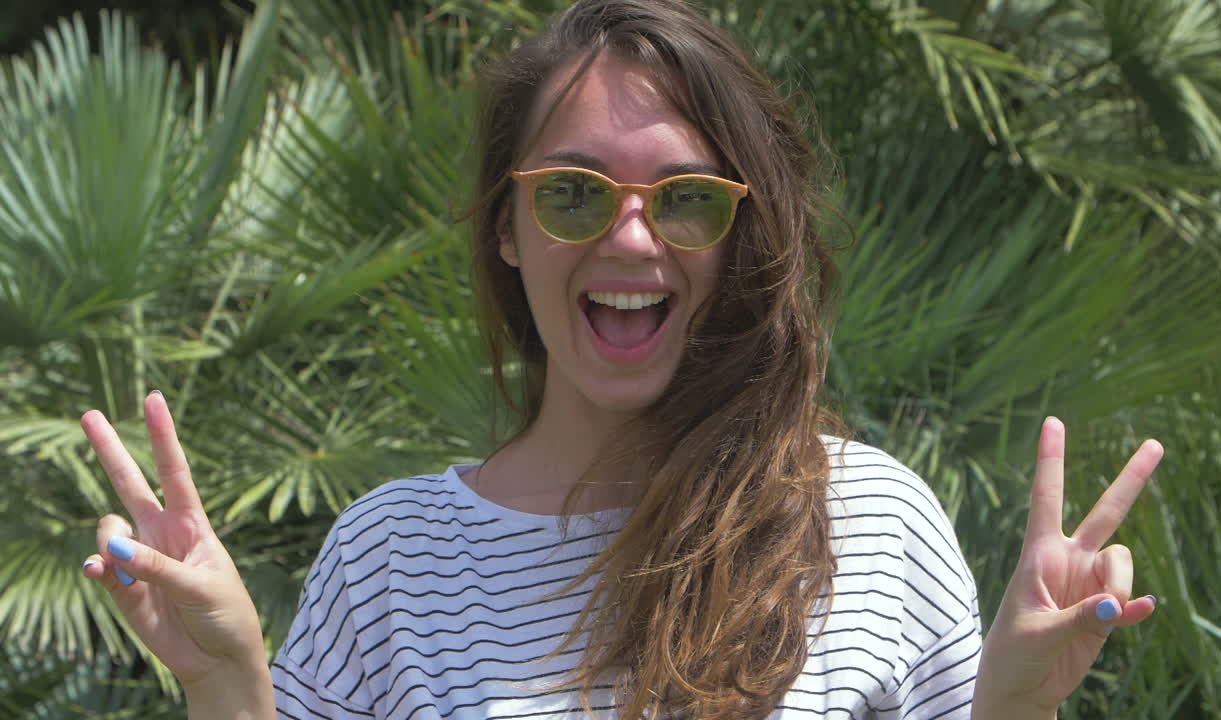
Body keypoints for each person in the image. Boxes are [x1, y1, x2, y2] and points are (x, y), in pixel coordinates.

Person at [78, 1, 1163, 718]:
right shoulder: (390, 562)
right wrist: (226, 687)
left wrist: (1013, 708)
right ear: (507, 228)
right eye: (573, 193)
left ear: (739, 235)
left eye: (685, 198)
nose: (632, 238)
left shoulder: (870, 525)